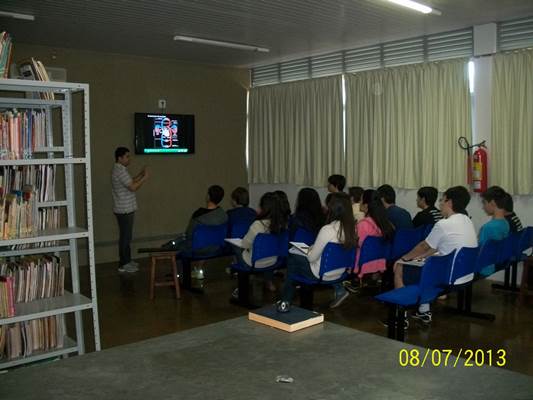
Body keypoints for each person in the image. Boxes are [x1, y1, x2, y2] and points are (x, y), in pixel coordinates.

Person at [394, 186, 477, 323]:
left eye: (442, 200)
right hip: (465, 274)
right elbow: (437, 246)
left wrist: (403, 259)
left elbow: (423, 246)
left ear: (449, 202)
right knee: (426, 263)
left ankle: (400, 318)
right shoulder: (467, 220)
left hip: (448, 277)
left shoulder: (444, 224)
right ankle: (423, 311)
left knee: (400, 268)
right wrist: (423, 256)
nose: (440, 204)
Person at [278, 192, 357, 310]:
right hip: (339, 272)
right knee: (297, 260)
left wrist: (309, 250)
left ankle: (285, 301)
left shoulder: (328, 229)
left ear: (333, 208)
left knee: (292, 259)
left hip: (321, 273)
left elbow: (311, 258)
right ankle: (286, 300)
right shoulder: (352, 229)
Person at [232, 192, 289, 294]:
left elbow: (245, 244)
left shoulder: (257, 225)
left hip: (253, 263)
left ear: (264, 208)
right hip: (273, 261)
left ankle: (241, 287)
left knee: (236, 247)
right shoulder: (282, 224)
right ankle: (269, 282)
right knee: (265, 252)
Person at [111, 147, 149, 273]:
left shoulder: (121, 169)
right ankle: (123, 264)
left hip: (126, 208)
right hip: (124, 210)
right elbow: (133, 187)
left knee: (127, 236)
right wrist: (145, 178)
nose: (129, 159)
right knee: (125, 238)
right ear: (119, 158)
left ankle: (127, 260)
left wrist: (140, 175)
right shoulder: (119, 170)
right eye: (127, 156)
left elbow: (130, 181)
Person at [351, 189, 395, 283]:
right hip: (379, 263)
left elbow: (356, 245)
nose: (359, 203)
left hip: (362, 263)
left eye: (361, 200)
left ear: (366, 205)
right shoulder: (386, 223)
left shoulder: (363, 224)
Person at [478, 186, 510, 277]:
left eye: (484, 203)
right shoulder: (505, 223)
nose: (483, 207)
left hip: (484, 268)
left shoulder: (487, 228)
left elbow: (481, 252)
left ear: (492, 203)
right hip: (495, 263)